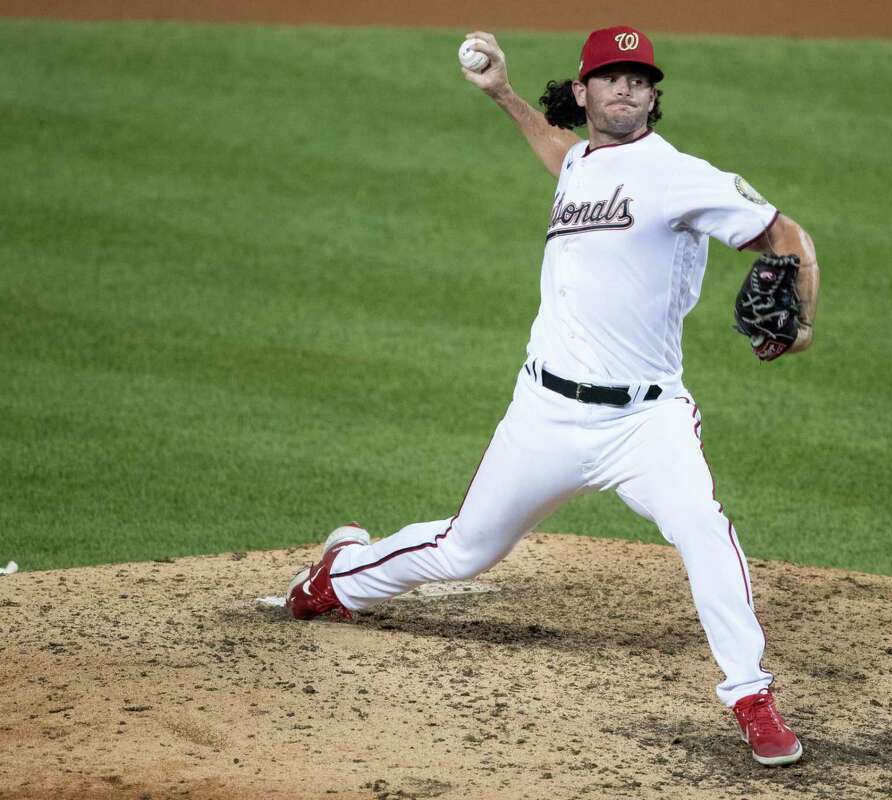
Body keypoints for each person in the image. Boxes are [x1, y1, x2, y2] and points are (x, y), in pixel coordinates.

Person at [285, 25, 820, 766]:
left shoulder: (679, 174)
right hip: (545, 414)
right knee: (463, 552)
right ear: (584, 92)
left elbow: (786, 233)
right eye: (611, 77)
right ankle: (337, 576)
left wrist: (801, 326)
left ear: (654, 95)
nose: (626, 88)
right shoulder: (581, 163)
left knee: (703, 528)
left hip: (645, 420)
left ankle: (752, 698)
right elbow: (563, 157)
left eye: (639, 78)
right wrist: (503, 93)